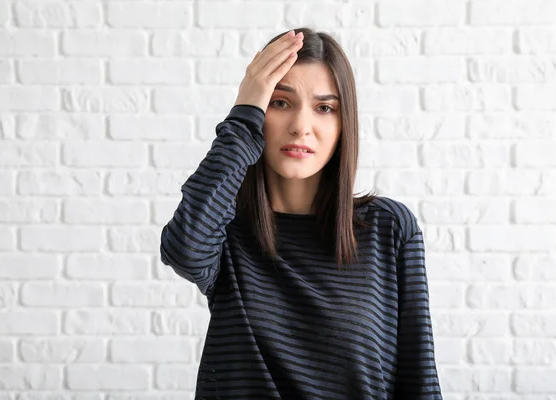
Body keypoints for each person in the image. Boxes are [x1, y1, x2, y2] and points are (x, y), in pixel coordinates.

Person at [160, 27, 443, 399]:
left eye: (324, 108)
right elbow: (183, 249)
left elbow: (419, 380)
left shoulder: (389, 229)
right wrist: (244, 114)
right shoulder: (225, 230)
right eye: (280, 102)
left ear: (344, 125)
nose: (300, 127)